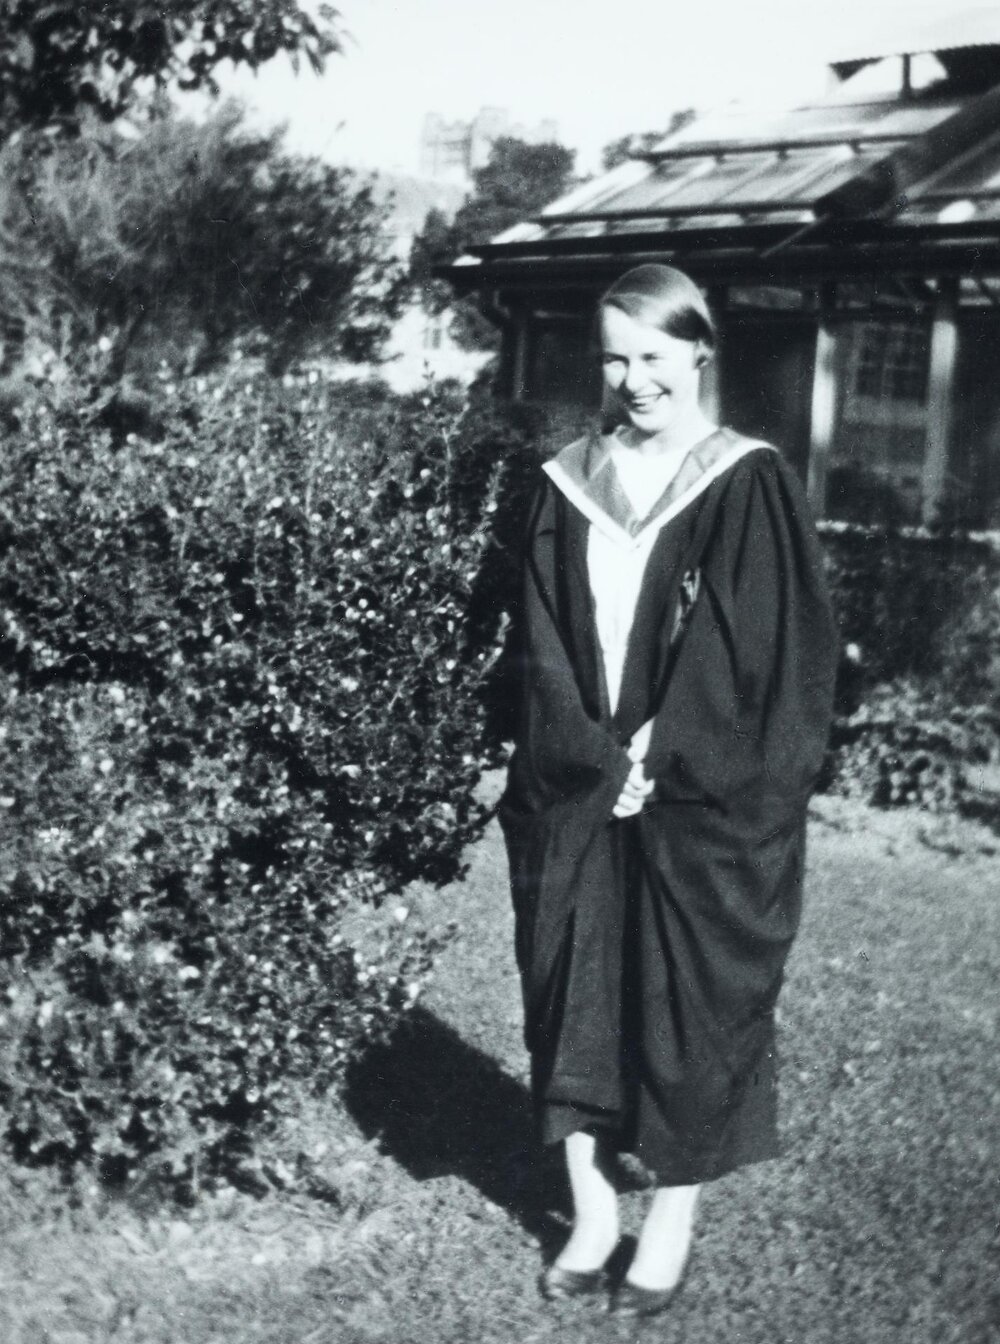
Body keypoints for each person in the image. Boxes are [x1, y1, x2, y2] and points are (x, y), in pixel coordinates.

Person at [499, 264, 838, 1318]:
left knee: (689, 1004)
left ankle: (672, 1222)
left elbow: (768, 649)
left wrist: (666, 751)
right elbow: (540, 640)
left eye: (653, 355)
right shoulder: (565, 480)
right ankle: (594, 1211)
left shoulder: (744, 481)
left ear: (698, 353)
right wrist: (592, 756)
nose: (633, 378)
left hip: (702, 798)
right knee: (575, 988)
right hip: (577, 783)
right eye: (614, 356)